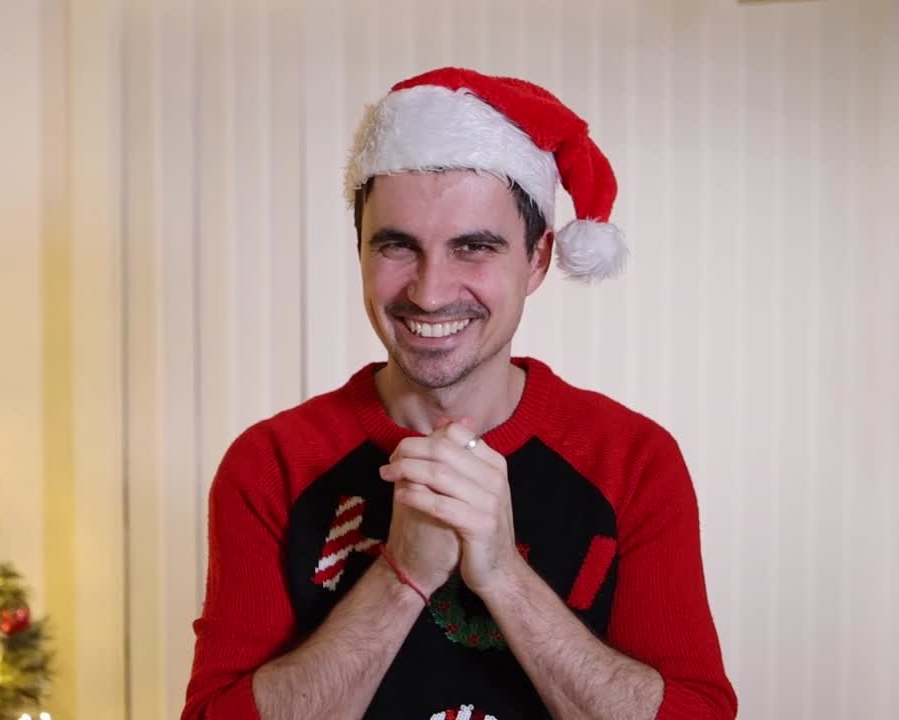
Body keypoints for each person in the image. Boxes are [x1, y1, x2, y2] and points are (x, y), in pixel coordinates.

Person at [182, 67, 737, 720]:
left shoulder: (633, 461)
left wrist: (502, 573)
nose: (430, 291)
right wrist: (401, 576)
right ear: (358, 248)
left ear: (536, 260)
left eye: (473, 247)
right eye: (397, 246)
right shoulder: (271, 462)